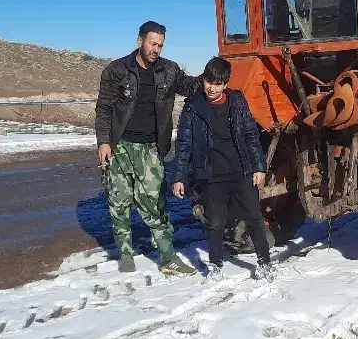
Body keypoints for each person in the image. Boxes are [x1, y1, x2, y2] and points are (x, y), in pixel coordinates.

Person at [94, 21, 199, 275]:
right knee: (119, 201)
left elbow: (192, 87)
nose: (156, 49)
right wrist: (104, 142)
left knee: (155, 204)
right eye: (152, 43)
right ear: (139, 41)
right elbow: (104, 108)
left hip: (151, 148)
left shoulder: (169, 71)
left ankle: (168, 258)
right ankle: (125, 255)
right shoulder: (116, 71)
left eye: (160, 45)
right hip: (120, 146)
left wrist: (214, 74)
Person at [171, 56, 273, 281]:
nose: (212, 88)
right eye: (209, 81)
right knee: (215, 222)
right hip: (210, 174)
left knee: (254, 217)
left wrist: (258, 167)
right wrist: (179, 176)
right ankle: (216, 265)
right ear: (203, 79)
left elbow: (250, 135)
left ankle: (265, 262)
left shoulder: (237, 101)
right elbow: (184, 143)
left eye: (218, 84)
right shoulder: (193, 106)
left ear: (225, 84)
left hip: (240, 171)